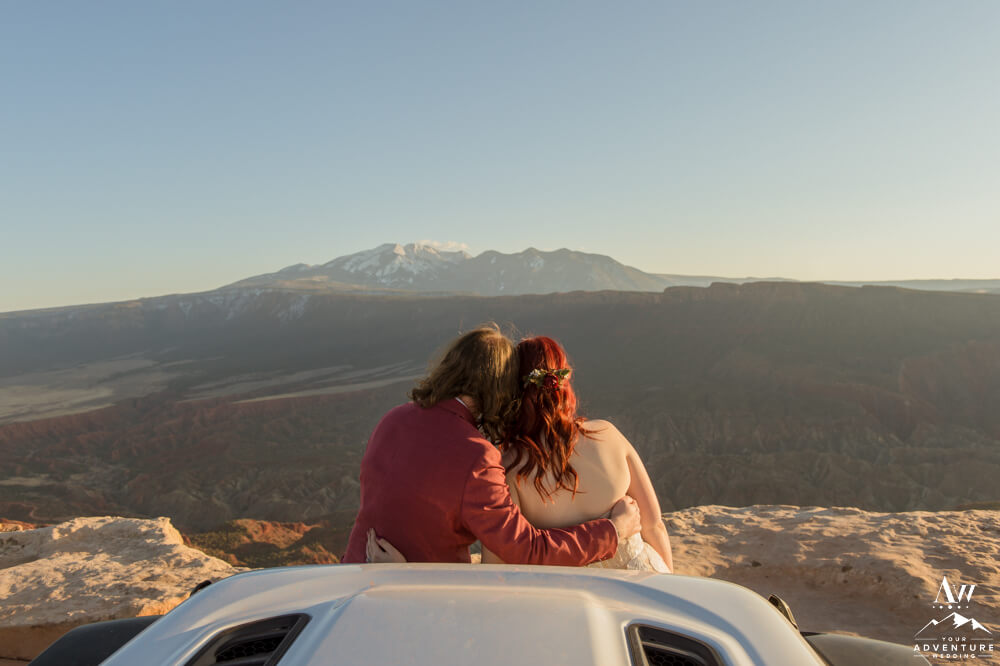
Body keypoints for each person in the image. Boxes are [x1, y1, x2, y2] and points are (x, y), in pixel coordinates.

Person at [342, 325, 641, 565]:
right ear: (500, 387)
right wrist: (612, 531)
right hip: (421, 597)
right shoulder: (477, 456)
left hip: (354, 572)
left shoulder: (393, 419)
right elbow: (526, 549)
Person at [482, 336, 672, 572]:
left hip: (574, 592)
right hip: (646, 576)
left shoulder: (509, 468)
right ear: (564, 383)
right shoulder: (608, 434)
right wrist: (670, 583)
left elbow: (499, 559)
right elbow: (654, 526)